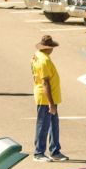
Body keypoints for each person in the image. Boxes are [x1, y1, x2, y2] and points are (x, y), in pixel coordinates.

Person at [32, 34, 67, 162]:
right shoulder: (44, 60)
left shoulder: (38, 55)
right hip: (46, 97)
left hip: (50, 96)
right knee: (43, 124)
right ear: (47, 48)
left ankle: (54, 150)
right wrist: (51, 103)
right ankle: (39, 152)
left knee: (53, 124)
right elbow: (45, 82)